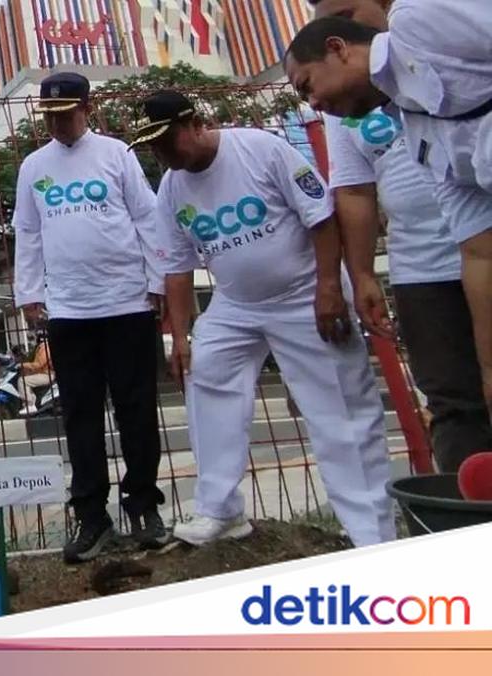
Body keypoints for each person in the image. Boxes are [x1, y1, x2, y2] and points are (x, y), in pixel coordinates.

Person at [131, 90, 396, 547]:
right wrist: (182, 337)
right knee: (206, 370)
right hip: (236, 302)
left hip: (304, 291)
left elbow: (321, 218)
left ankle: (371, 533)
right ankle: (221, 510)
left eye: (166, 140)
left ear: (194, 124)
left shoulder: (259, 149)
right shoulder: (171, 188)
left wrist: (329, 288)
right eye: (152, 146)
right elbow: (177, 267)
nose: (161, 154)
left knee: (339, 408)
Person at [283, 5, 492, 430]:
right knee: (454, 402)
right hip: (422, 265)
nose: (314, 103)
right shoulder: (421, 133)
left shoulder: (418, 20)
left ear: (338, 48)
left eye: (307, 86)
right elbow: (479, 250)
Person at [12, 71, 170, 561]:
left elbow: (147, 217)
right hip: (68, 310)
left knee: (136, 410)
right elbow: (28, 232)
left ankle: (143, 507)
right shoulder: (34, 167)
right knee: (79, 415)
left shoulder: (116, 154)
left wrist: (157, 280)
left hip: (127, 304)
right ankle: (92, 517)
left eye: (66, 114)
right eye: (49, 116)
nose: (57, 124)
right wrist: (29, 292)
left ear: (88, 107)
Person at [15, 330, 53, 414]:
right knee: (25, 377)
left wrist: (23, 365)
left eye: (33, 338)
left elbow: (39, 364)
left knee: (22, 381)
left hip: (47, 375)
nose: (31, 341)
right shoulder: (40, 347)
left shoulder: (45, 347)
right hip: (43, 373)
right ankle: (33, 403)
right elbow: (31, 360)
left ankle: (30, 404)